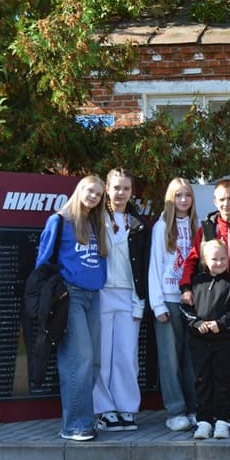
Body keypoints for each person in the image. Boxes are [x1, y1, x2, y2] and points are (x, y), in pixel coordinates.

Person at [179, 178, 230, 435]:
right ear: (215, 202)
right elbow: (192, 260)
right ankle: (210, 415)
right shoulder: (206, 228)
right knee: (207, 368)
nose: (226, 203)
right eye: (221, 199)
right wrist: (186, 287)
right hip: (210, 301)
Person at [35, 175, 108, 442]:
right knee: (78, 360)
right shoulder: (59, 220)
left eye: (99, 194)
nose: (93, 197)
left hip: (94, 296)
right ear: (79, 190)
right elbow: (43, 263)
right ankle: (75, 425)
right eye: (90, 191)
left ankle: (84, 419)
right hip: (71, 296)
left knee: (94, 361)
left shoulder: (96, 222)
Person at [92, 168, 150, 433]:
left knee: (126, 356)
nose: (121, 193)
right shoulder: (94, 219)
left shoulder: (138, 224)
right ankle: (104, 410)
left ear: (131, 191)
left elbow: (144, 266)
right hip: (101, 294)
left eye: (126, 188)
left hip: (129, 295)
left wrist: (141, 300)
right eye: (116, 187)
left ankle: (127, 407)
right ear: (107, 188)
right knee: (102, 356)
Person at [181, 240, 230, 440]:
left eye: (223, 258)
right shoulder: (196, 283)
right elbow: (185, 308)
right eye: (214, 259)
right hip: (200, 341)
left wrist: (221, 324)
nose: (219, 263)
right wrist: (197, 323)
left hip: (225, 342)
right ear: (204, 260)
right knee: (202, 380)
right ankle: (204, 421)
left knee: (223, 380)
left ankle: (222, 420)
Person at [148, 178, 198, 431]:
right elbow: (155, 266)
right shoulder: (161, 227)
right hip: (168, 298)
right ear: (170, 199)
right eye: (178, 195)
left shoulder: (198, 225)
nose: (183, 200)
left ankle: (194, 408)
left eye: (187, 195)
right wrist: (157, 304)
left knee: (191, 358)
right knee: (170, 360)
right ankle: (175, 411)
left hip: (192, 301)